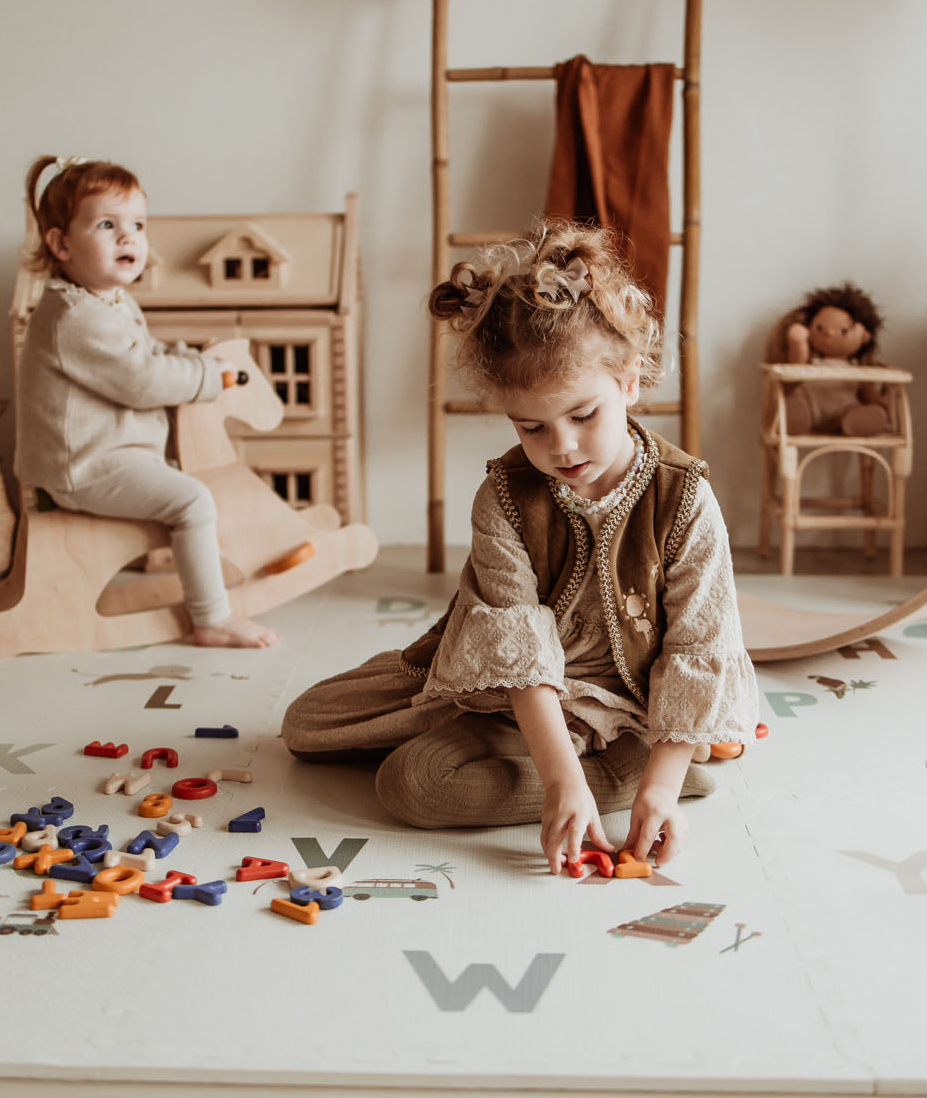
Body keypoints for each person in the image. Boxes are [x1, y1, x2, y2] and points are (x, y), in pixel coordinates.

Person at [283, 219, 758, 871]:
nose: (561, 446)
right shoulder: (503, 496)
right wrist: (560, 778)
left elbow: (700, 647)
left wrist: (659, 790)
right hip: (520, 695)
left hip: (635, 703)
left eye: (583, 415)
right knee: (308, 723)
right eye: (531, 427)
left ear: (629, 380)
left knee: (414, 784)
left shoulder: (685, 499)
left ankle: (654, 771)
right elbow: (517, 649)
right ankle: (596, 772)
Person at [15, 154, 278, 649]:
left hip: (110, 456)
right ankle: (212, 618)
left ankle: (213, 573)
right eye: (107, 225)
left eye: (137, 225)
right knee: (192, 499)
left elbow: (145, 353)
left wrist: (188, 356)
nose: (128, 238)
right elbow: (140, 379)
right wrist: (209, 376)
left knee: (193, 482)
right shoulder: (75, 317)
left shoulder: (108, 301)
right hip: (85, 467)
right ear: (61, 244)